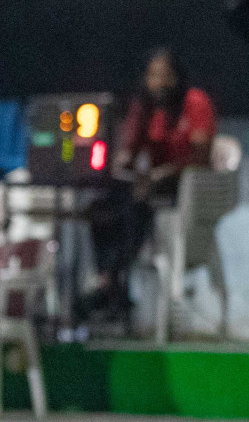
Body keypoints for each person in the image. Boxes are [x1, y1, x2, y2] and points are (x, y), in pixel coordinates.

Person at [88, 47, 217, 318]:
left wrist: (164, 173)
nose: (159, 83)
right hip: (152, 186)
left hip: (188, 187)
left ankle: (112, 282)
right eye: (153, 76)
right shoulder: (145, 107)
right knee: (101, 208)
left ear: (176, 77)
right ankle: (109, 279)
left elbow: (201, 154)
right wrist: (119, 163)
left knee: (136, 204)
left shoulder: (194, 102)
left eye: (164, 75)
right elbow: (130, 153)